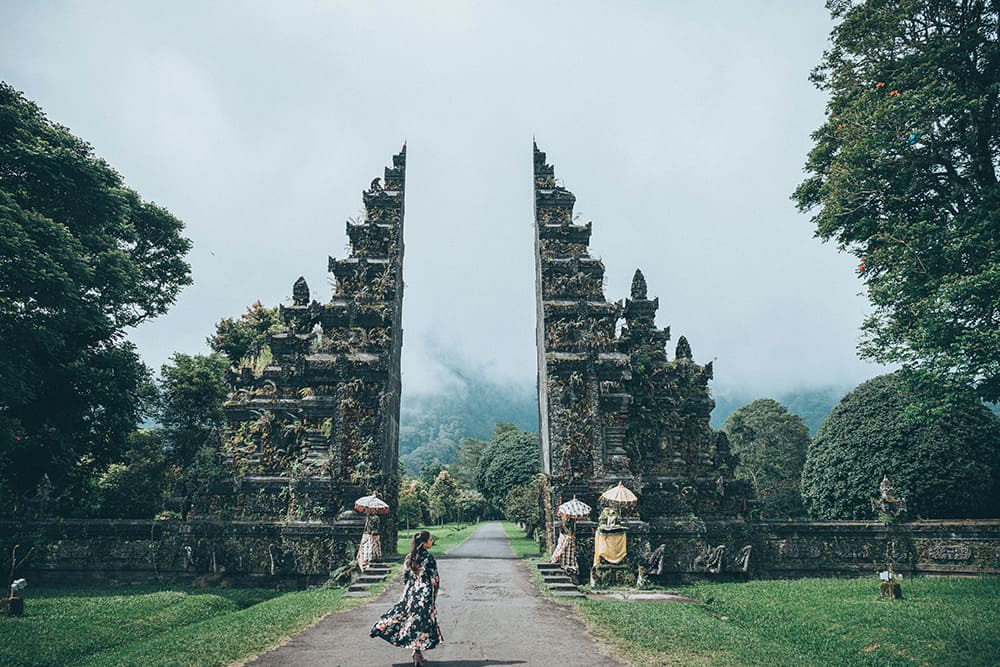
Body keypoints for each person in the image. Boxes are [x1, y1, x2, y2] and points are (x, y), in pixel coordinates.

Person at [370, 530, 443, 665]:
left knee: (405, 618)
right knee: (421, 623)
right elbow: (435, 579)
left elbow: (405, 576)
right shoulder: (429, 558)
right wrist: (434, 595)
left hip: (410, 592)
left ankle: (416, 652)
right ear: (424, 543)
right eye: (430, 540)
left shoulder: (409, 557)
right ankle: (416, 653)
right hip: (424, 594)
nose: (432, 541)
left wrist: (409, 590)